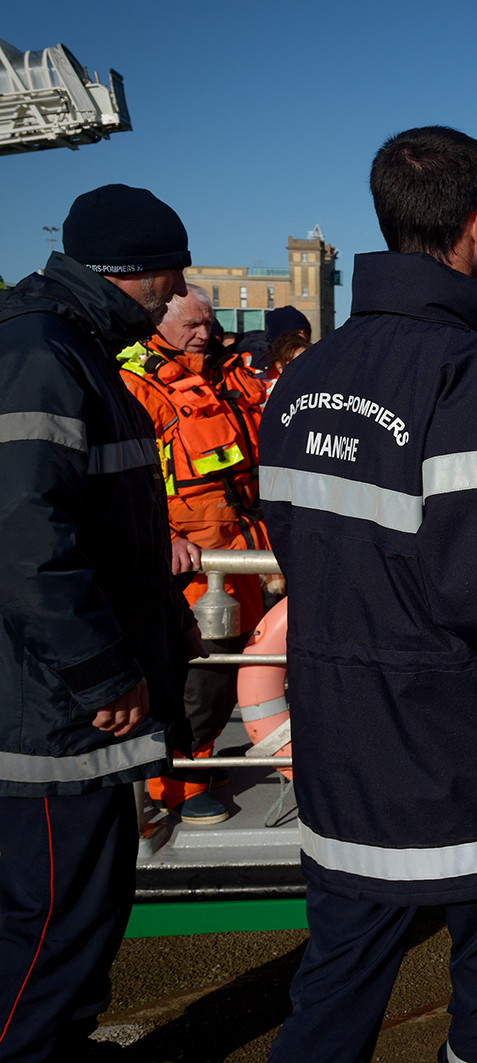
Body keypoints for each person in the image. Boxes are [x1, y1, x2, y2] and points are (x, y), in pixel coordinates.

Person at [259, 126, 477, 1063]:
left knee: (331, 999)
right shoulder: (474, 381)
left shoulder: (300, 382)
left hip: (343, 758)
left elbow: (299, 552)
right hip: (472, 769)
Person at [0, 183, 198, 1062]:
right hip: (52, 717)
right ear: (135, 273)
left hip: (65, 706)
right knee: (49, 921)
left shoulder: (69, 349)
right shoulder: (45, 354)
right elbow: (23, 535)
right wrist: (102, 670)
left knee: (84, 911)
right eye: (171, 271)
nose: (179, 288)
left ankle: (60, 1040)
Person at [119, 284, 273, 824]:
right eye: (191, 325)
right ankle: (175, 784)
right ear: (158, 322)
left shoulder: (230, 377)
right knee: (196, 674)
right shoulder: (137, 386)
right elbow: (126, 483)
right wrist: (162, 540)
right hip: (191, 562)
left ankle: (199, 762)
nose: (205, 334)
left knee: (237, 667)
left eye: (208, 322)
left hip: (243, 551)